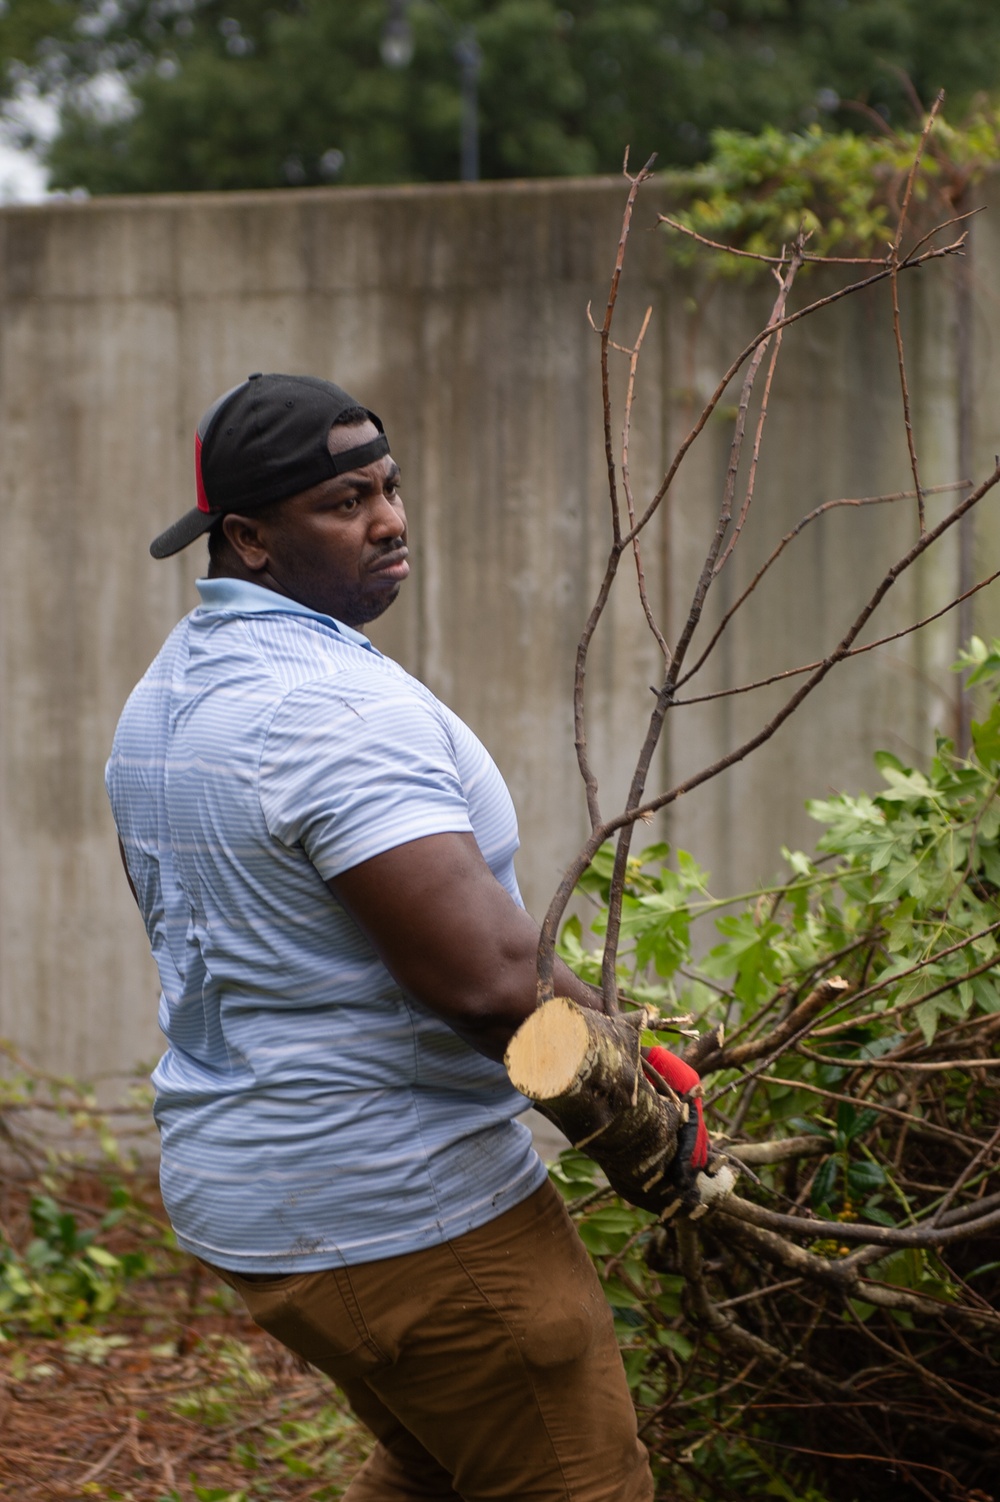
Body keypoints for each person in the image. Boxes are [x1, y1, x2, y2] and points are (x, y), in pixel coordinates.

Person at [106, 372, 655, 1501]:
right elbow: (486, 985)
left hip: (257, 1192)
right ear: (250, 537)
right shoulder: (332, 714)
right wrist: (637, 1124)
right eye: (345, 500)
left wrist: (629, 1049)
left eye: (390, 486)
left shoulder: (167, 695)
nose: (391, 518)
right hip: (407, 1207)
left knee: (435, 1463)